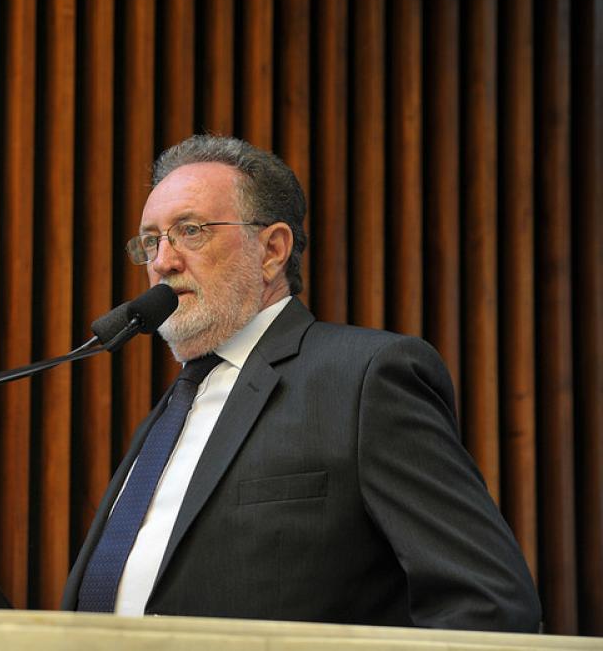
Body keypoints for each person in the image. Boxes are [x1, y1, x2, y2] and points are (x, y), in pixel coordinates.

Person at [61, 135, 541, 632]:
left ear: (272, 250)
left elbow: (487, 604)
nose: (163, 261)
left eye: (191, 231)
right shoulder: (168, 414)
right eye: (151, 241)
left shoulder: (364, 378)